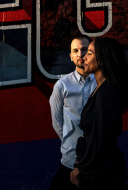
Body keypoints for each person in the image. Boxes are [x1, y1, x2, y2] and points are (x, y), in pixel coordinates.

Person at [70, 37, 128, 190]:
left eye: (89, 53)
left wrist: (81, 169)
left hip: (102, 176)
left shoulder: (106, 91)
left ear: (103, 61)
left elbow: (101, 139)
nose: (84, 57)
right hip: (99, 171)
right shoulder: (101, 90)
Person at [49, 36, 97, 190]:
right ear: (70, 56)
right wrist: (71, 143)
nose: (80, 54)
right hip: (70, 159)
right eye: (75, 50)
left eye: (84, 50)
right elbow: (57, 123)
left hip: (96, 160)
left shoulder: (100, 83)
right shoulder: (62, 86)